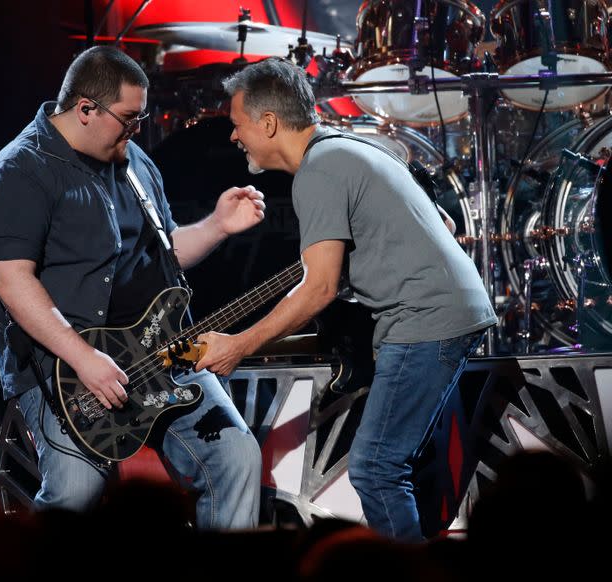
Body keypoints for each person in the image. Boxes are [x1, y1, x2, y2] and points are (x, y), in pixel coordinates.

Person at [196, 57, 496, 541]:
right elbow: (445, 225)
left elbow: (318, 287)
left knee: (376, 467)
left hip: (425, 321)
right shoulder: (355, 146)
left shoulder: (319, 170)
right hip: (445, 314)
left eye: (237, 125)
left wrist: (238, 344)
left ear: (268, 123)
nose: (234, 137)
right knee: (387, 464)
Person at [0, 46, 265, 529]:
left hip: (160, 349)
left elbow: (163, 253)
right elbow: (9, 278)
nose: (138, 130)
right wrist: (84, 358)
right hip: (65, 368)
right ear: (86, 109)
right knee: (75, 492)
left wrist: (216, 226)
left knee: (235, 456)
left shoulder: (134, 163)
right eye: (129, 119)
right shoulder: (18, 171)